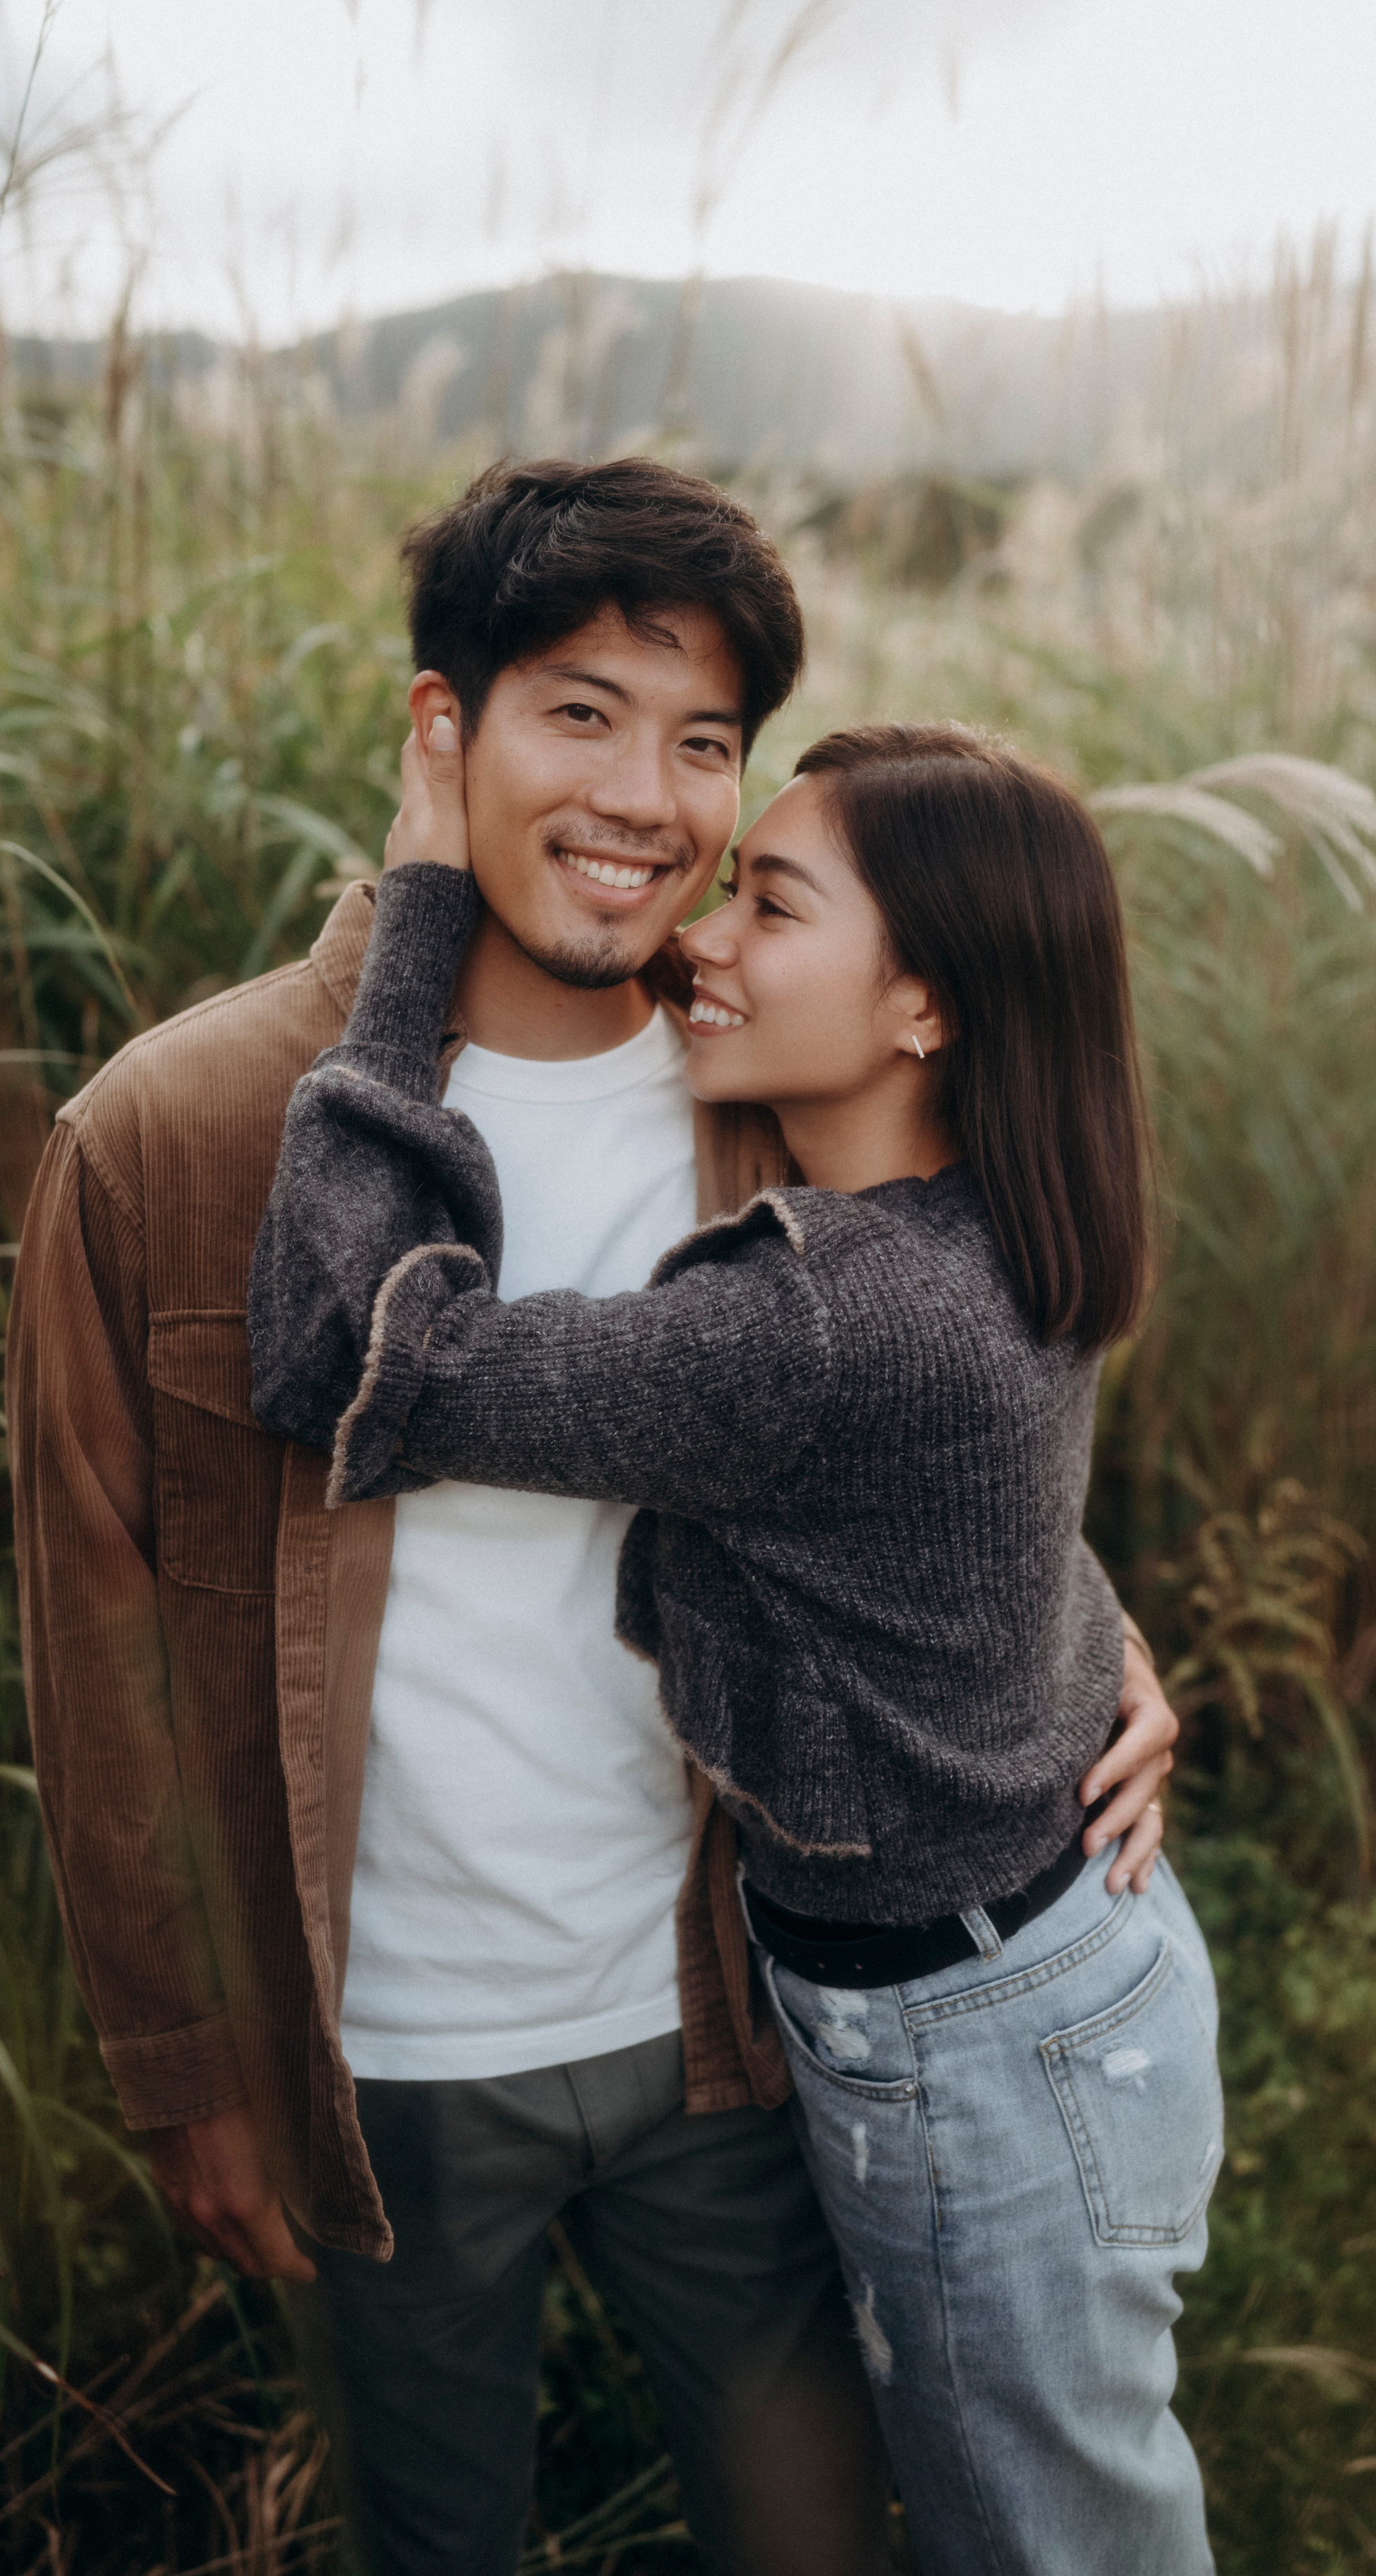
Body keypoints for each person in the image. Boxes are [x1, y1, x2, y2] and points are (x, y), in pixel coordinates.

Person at [9, 458, 1179, 2576]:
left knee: (818, 2540)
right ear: (439, 733)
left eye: (706, 740)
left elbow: (933, 1437)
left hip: (732, 2024)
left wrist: (1101, 1639)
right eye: (580, 712)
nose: (650, 797)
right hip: (380, 2061)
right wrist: (182, 2060)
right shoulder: (170, 1134)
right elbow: (91, 1628)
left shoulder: (768, 1097)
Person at [250, 706, 1220, 2576]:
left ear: (924, 1005)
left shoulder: (820, 1325)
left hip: (975, 2044)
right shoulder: (995, 1217)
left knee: (1044, 2540)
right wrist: (1109, 1637)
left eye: (768, 903)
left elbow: (358, 1353)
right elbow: (978, 1530)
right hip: (1045, 1980)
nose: (705, 931)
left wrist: (416, 931)